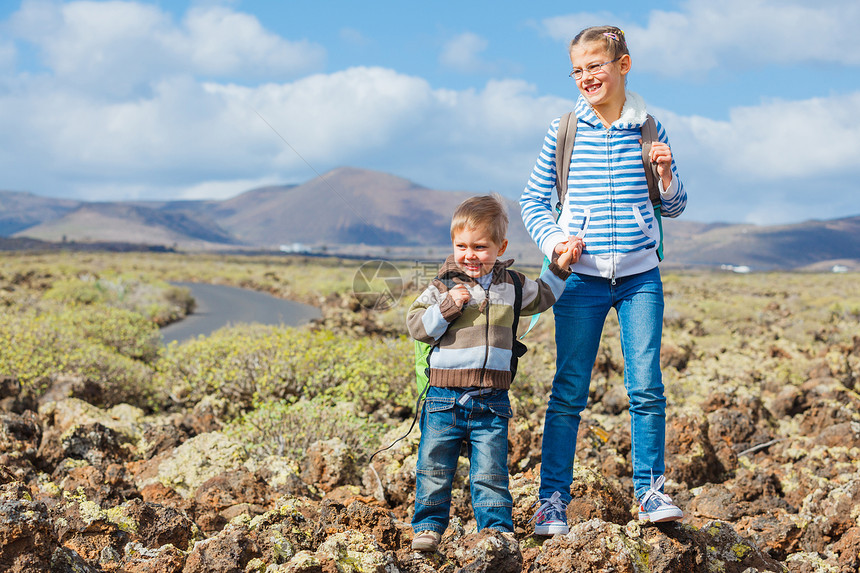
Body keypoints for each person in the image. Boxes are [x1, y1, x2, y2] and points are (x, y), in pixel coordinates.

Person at [520, 25, 688, 535]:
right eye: (577, 69)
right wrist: (555, 244)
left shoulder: (651, 129)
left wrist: (666, 175)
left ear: (623, 65)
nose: (586, 76)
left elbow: (676, 206)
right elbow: (533, 201)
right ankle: (551, 503)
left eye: (595, 65)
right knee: (568, 390)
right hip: (580, 282)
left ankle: (651, 493)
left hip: (640, 279)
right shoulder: (564, 129)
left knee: (646, 388)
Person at [406, 194, 580, 551]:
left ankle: (497, 532)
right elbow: (417, 326)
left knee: (491, 472)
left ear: (501, 246)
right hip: (443, 397)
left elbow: (544, 296)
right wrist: (449, 305)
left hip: (492, 401)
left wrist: (561, 266)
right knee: (434, 467)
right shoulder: (441, 285)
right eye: (461, 246)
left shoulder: (513, 285)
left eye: (480, 247)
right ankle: (427, 526)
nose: (469, 255)